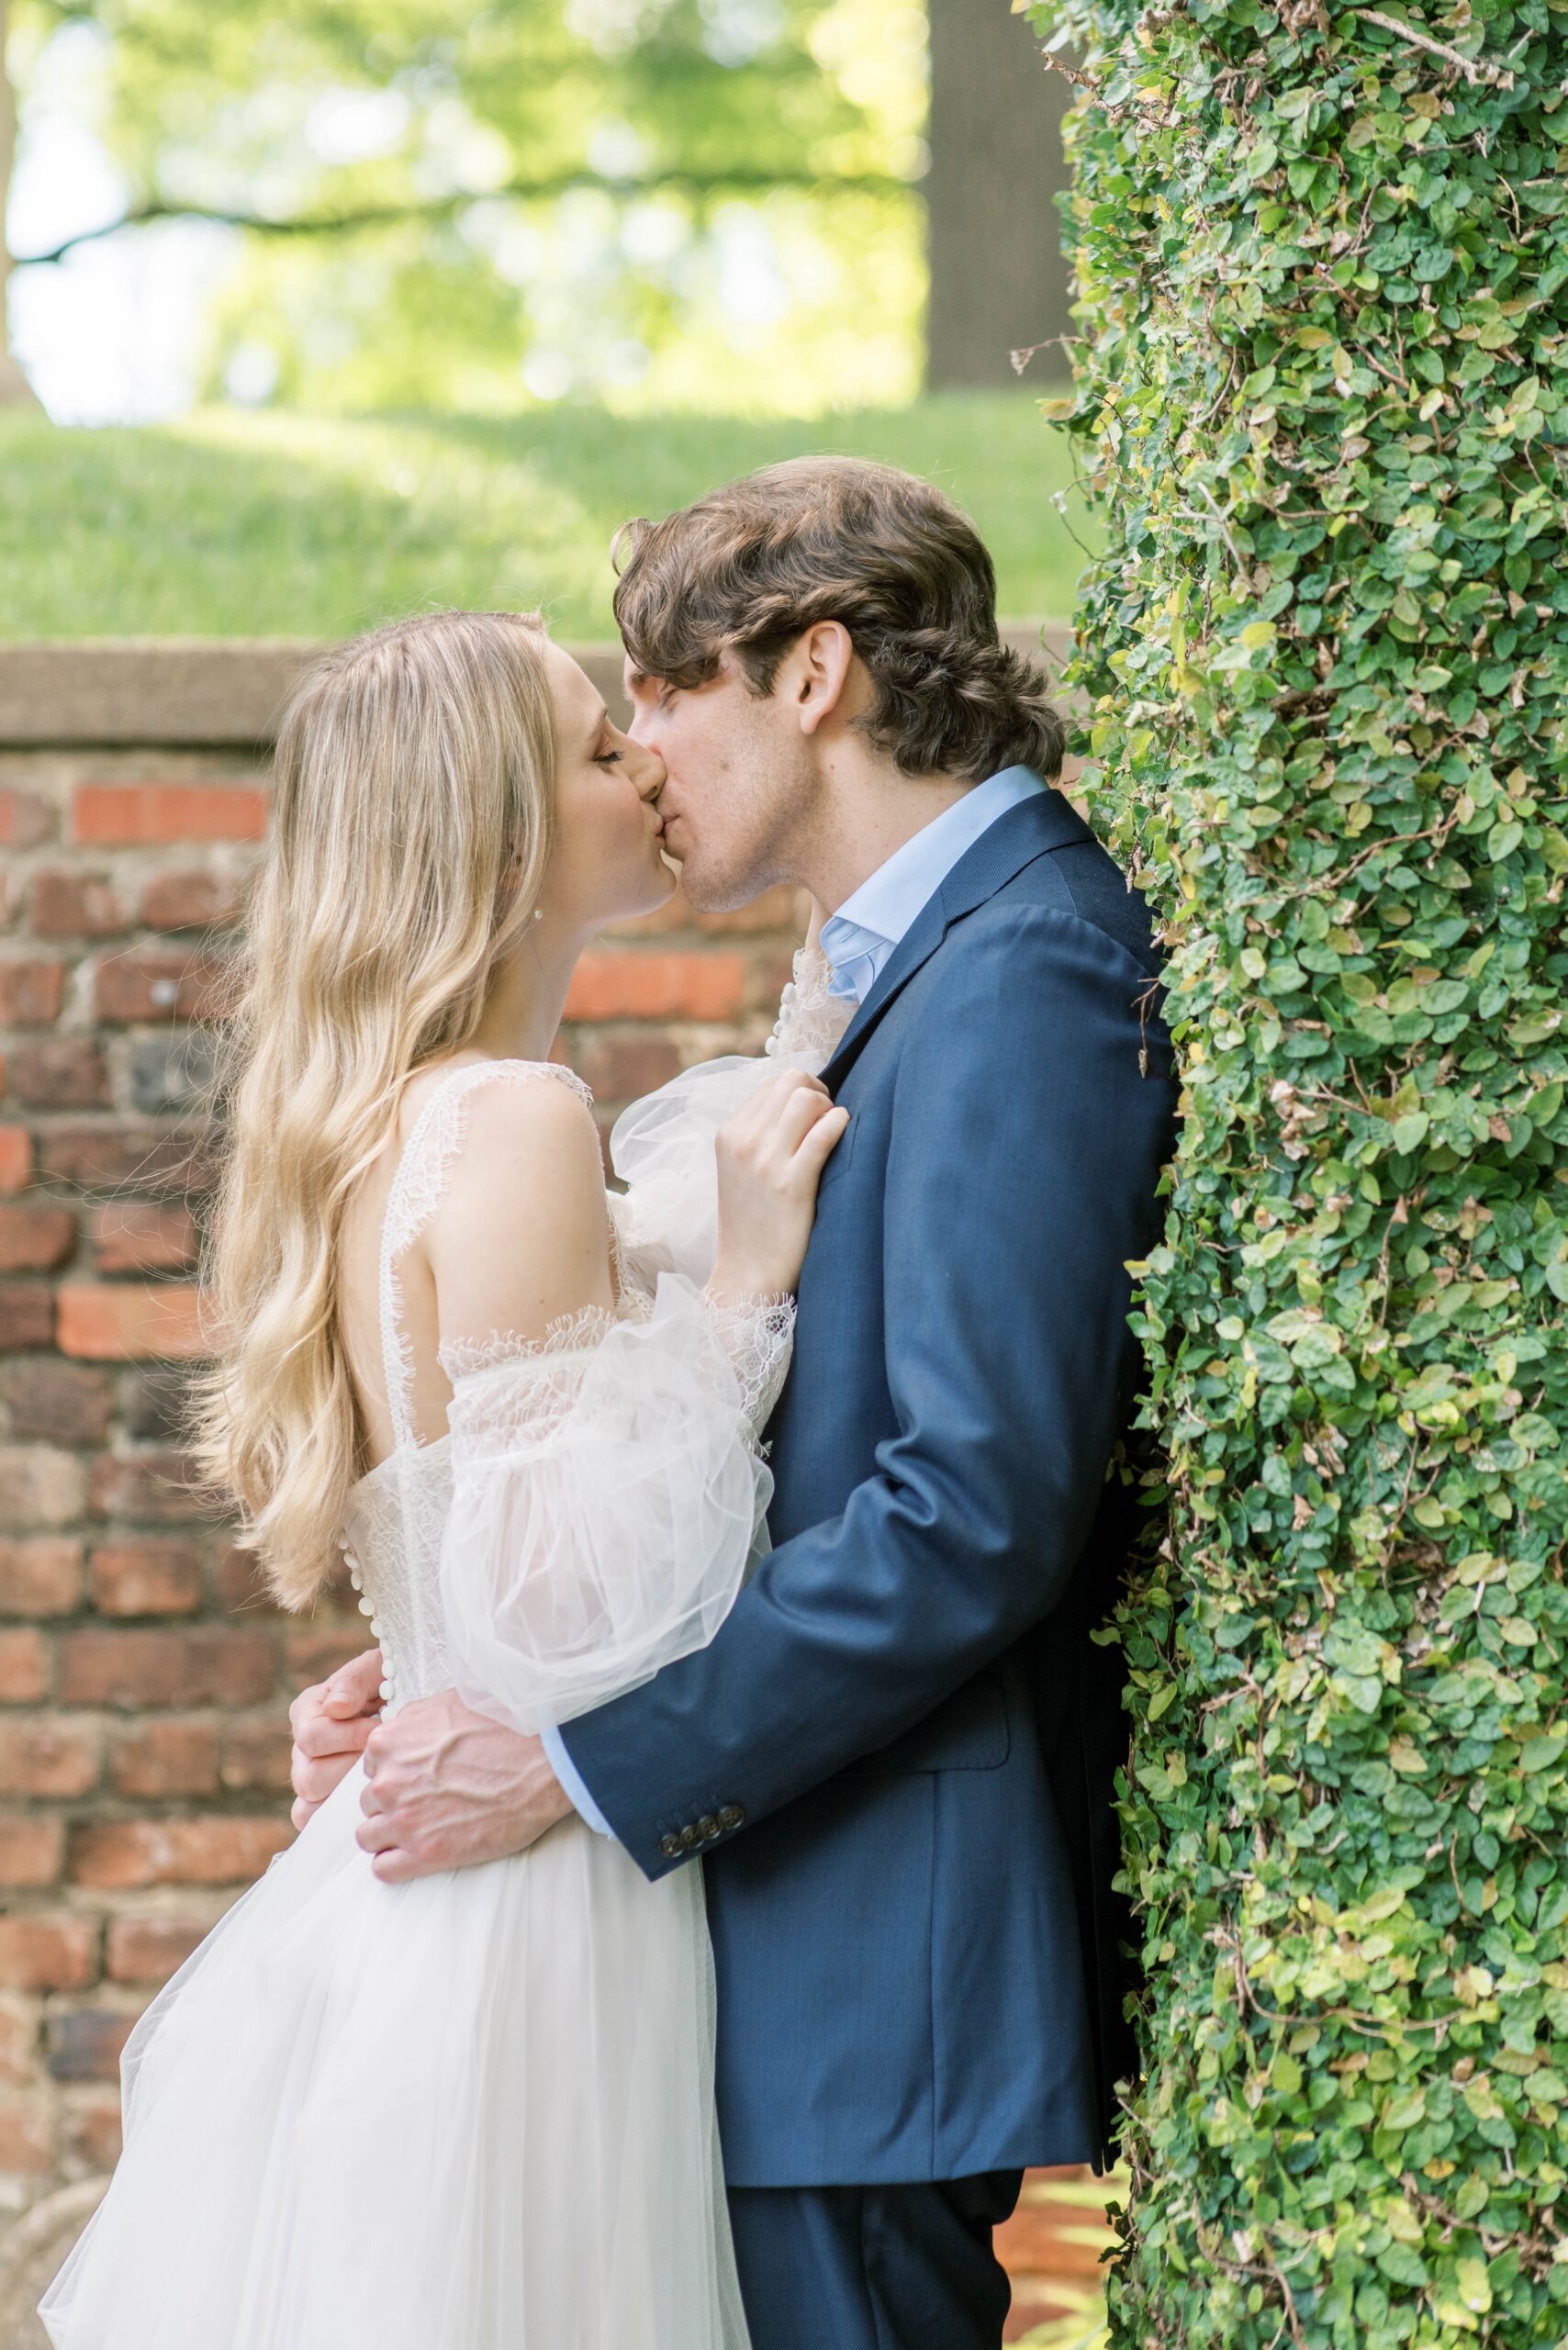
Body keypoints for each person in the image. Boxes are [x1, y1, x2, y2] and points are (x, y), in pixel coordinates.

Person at [292, 459, 1179, 2350]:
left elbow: (968, 1505)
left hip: (859, 1955)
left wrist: (576, 1757)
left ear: (810, 673)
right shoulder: (888, 967)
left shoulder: (1018, 962)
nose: (636, 747)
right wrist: (470, 1661)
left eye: (664, 690)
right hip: (751, 1923)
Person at [39, 608, 849, 2349]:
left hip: (416, 1853)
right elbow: (564, 1598)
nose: (637, 757)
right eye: (586, 744)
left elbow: (461, 1539)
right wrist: (740, 1294)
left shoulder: (377, 1125)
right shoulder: (513, 1119)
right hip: (525, 1887)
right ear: (495, 834)